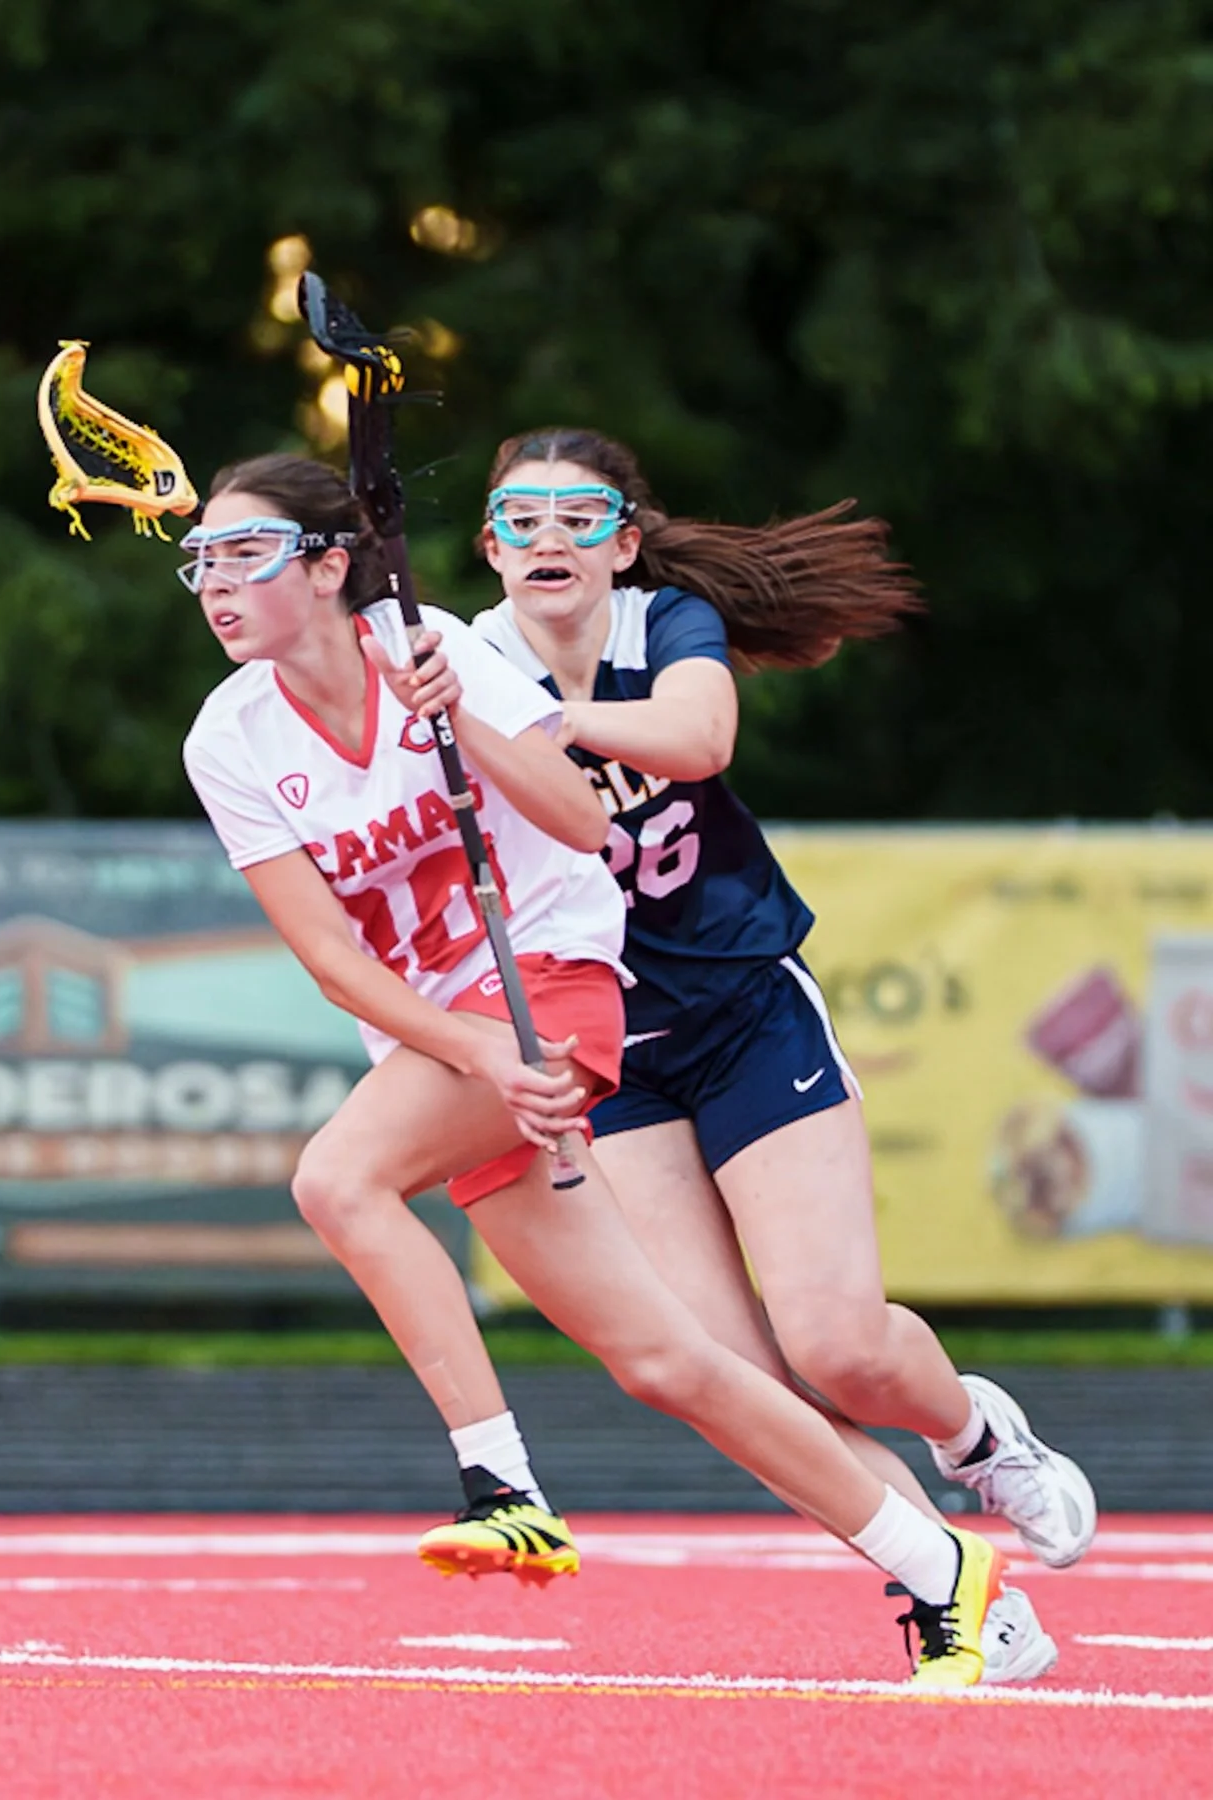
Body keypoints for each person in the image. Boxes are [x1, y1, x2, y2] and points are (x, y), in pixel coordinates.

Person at [180, 450, 1035, 1687]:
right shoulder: (231, 739)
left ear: (326, 567)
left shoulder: (434, 650)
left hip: (557, 991)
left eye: (243, 556)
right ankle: (945, 1571)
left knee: (339, 1180)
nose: (213, 584)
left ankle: (502, 1482)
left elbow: (587, 825)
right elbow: (329, 959)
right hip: (459, 1048)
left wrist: (456, 715)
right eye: (199, 562)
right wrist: (471, 1047)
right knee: (673, 1362)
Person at [444, 427, 1095, 1673]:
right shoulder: (457, 661)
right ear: (488, 547)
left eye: (577, 516)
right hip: (607, 1051)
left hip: (743, 1004)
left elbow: (697, 742)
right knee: (739, 1384)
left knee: (836, 1343)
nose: (547, 539)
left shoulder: (658, 626)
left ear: (623, 541)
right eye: (518, 519)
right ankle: (962, 1598)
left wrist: (522, 720)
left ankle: (974, 1438)